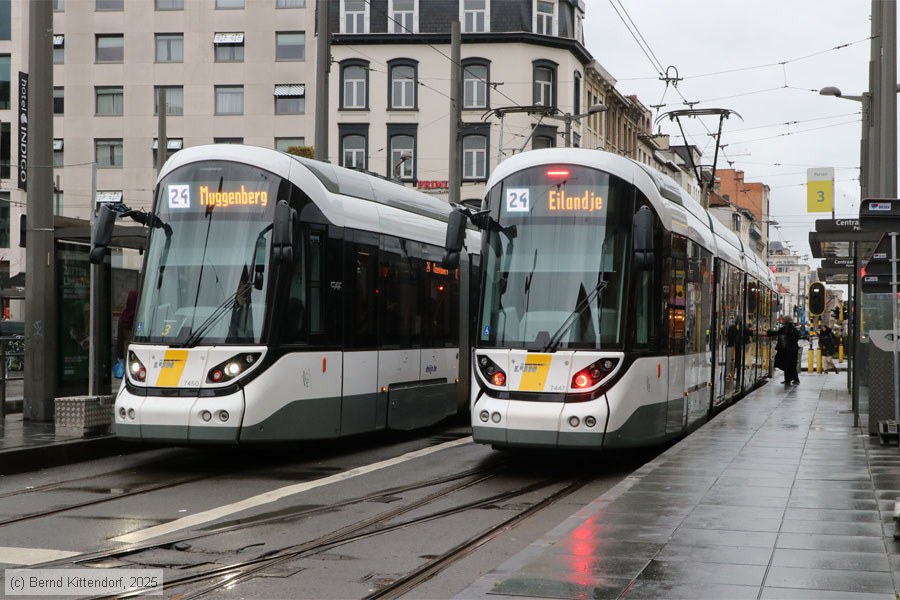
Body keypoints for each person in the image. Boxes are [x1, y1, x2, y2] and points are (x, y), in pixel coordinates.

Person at [768, 315, 801, 388]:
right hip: (793, 350)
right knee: (791, 365)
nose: (782, 321)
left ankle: (791, 380)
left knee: (786, 365)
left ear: (786, 321)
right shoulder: (794, 329)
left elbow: (776, 333)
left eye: (783, 320)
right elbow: (797, 338)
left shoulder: (785, 328)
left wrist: (767, 331)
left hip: (787, 350)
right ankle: (791, 380)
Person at [115, 290, 138, 378]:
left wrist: (119, 355)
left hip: (126, 350)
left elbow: (120, 338)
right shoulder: (139, 315)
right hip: (138, 350)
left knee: (128, 377)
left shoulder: (123, 316)